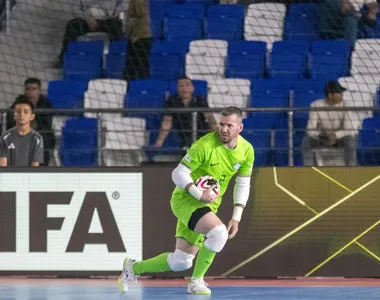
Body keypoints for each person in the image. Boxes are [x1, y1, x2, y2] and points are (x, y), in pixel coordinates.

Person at [118, 106, 255, 295]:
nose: (223, 129)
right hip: (186, 199)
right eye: (221, 124)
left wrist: (236, 216)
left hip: (208, 205)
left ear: (240, 127)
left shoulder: (247, 150)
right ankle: (196, 281)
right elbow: (178, 172)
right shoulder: (205, 145)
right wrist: (199, 194)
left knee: (181, 261)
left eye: (229, 126)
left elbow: (243, 183)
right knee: (219, 233)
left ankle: (132, 269)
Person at [53, 0, 126, 68]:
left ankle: (117, 58)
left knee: (116, 25)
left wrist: (118, 11)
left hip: (109, 20)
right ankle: (64, 58)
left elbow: (123, 5)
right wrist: (87, 17)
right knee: (73, 24)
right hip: (87, 20)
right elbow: (76, 7)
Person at [301, 80, 357, 166]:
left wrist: (335, 136)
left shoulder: (347, 106)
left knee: (350, 141)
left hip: (340, 138)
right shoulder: (316, 105)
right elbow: (310, 129)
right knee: (306, 142)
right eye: (338, 92)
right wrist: (322, 137)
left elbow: (349, 129)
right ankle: (309, 170)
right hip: (322, 137)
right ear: (330, 95)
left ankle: (351, 169)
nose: (342, 94)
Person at [154, 77, 218, 149]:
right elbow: (166, 123)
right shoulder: (171, 101)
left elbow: (210, 120)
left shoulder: (199, 100)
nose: (184, 89)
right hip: (183, 135)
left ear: (192, 88)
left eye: (187, 85)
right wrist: (158, 143)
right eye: (181, 86)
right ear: (177, 88)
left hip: (201, 134)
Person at [7, 78, 55, 166]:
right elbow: (10, 119)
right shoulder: (19, 101)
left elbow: (46, 124)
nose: (31, 92)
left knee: (46, 139)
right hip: (21, 134)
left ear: (39, 91)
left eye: (34, 89)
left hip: (40, 135)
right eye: (28, 89)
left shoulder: (45, 103)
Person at [0, 97, 44, 167]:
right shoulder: (5, 137)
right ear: (14, 115)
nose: (21, 114)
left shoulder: (37, 138)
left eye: (26, 112)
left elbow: (35, 167)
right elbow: (2, 166)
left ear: (32, 116)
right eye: (18, 111)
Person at [123, 0, 152, 81]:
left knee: (140, 67)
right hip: (135, 37)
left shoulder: (138, 1)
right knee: (132, 66)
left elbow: (142, 17)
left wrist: (135, 35)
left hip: (140, 38)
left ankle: (140, 87)